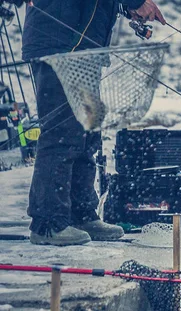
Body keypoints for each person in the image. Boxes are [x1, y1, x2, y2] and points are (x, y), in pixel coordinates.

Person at [22, 0, 166, 246]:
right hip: (59, 43)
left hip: (84, 46)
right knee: (62, 133)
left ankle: (81, 214)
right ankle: (47, 223)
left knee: (86, 133)